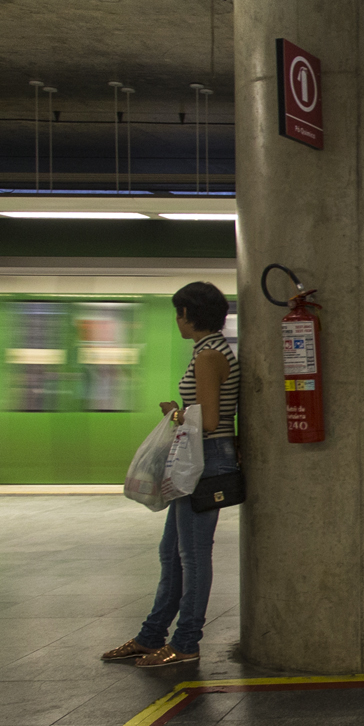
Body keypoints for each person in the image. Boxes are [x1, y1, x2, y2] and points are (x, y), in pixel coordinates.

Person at [101, 282, 239, 669]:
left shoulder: (210, 355)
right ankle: (151, 637)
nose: (177, 320)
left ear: (189, 315)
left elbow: (209, 420)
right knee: (172, 553)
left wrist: (175, 413)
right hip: (201, 457)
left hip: (207, 458)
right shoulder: (208, 350)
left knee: (193, 556)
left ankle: (186, 642)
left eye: (179, 313)